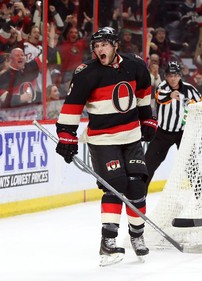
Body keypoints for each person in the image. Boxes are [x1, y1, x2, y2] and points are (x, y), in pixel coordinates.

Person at [54, 27, 157, 266]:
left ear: (115, 45)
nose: (100, 49)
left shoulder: (135, 65)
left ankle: (137, 235)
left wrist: (148, 119)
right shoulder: (86, 73)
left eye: (104, 45)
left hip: (130, 136)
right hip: (102, 140)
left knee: (136, 185)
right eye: (96, 46)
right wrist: (66, 135)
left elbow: (143, 93)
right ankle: (108, 242)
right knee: (115, 185)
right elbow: (72, 105)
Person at [144, 61, 202, 189]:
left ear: (180, 76)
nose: (173, 78)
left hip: (182, 134)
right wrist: (171, 95)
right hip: (162, 134)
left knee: (191, 166)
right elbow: (159, 97)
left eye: (175, 75)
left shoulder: (189, 89)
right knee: (148, 165)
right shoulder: (162, 86)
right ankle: (139, 199)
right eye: (170, 75)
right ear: (165, 76)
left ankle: (201, 197)